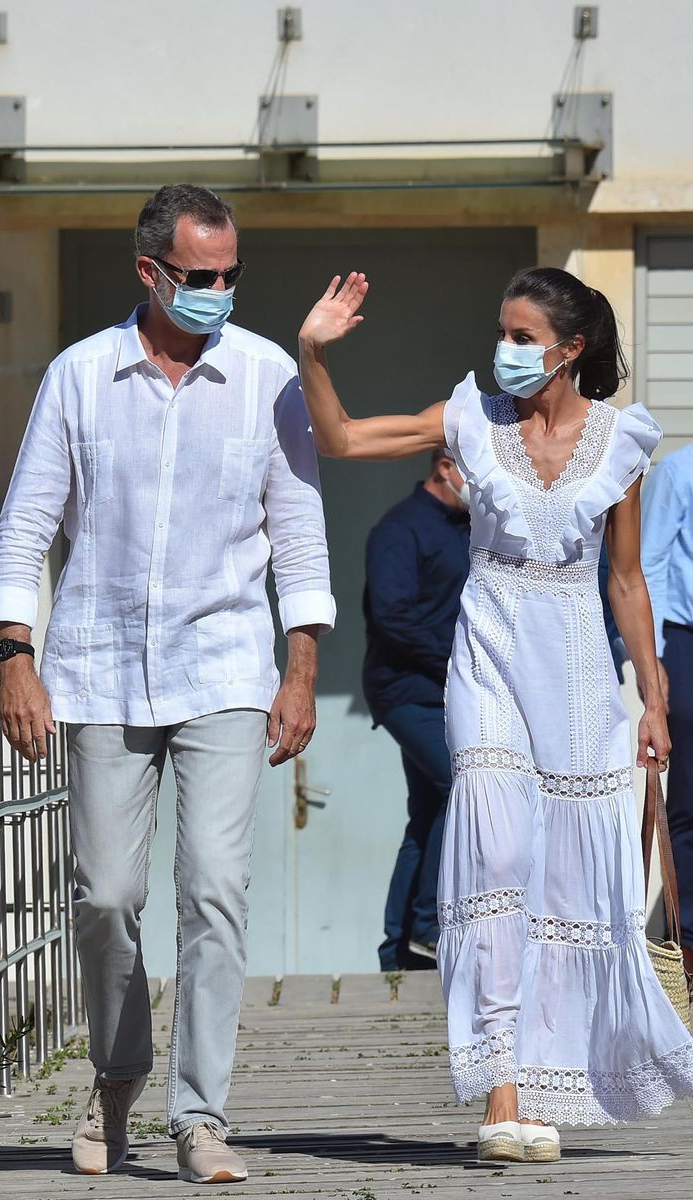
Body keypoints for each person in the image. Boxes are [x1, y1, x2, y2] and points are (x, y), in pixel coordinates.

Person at [297, 265, 693, 1163]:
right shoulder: (470, 420)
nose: (504, 351)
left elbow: (628, 581)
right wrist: (312, 352)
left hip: (582, 672)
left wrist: (654, 702)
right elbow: (342, 438)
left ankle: (546, 1084)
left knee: (563, 877)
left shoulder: (623, 443)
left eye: (522, 337)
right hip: (489, 658)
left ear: (569, 349)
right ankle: (501, 1087)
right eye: (502, 333)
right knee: (498, 852)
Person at [0, 185, 336, 1185]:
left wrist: (300, 670)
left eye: (232, 276)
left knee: (215, 890)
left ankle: (201, 1115)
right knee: (105, 897)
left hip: (225, 667)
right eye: (201, 277)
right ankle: (115, 1078)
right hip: (94, 670)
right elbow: (26, 526)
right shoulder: (78, 377)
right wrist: (17, 655)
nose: (220, 292)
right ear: (150, 272)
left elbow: (301, 538)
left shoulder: (269, 377)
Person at [363, 451, 470, 970]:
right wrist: (455, 657)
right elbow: (392, 616)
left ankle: (399, 948)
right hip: (406, 690)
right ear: (446, 466)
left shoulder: (468, 527)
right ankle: (430, 926)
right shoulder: (399, 530)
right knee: (461, 784)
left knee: (428, 813)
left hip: (452, 691)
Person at [641, 443, 693, 979]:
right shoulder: (680, 471)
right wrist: (653, 661)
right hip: (686, 641)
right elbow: (647, 563)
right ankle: (687, 951)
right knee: (690, 800)